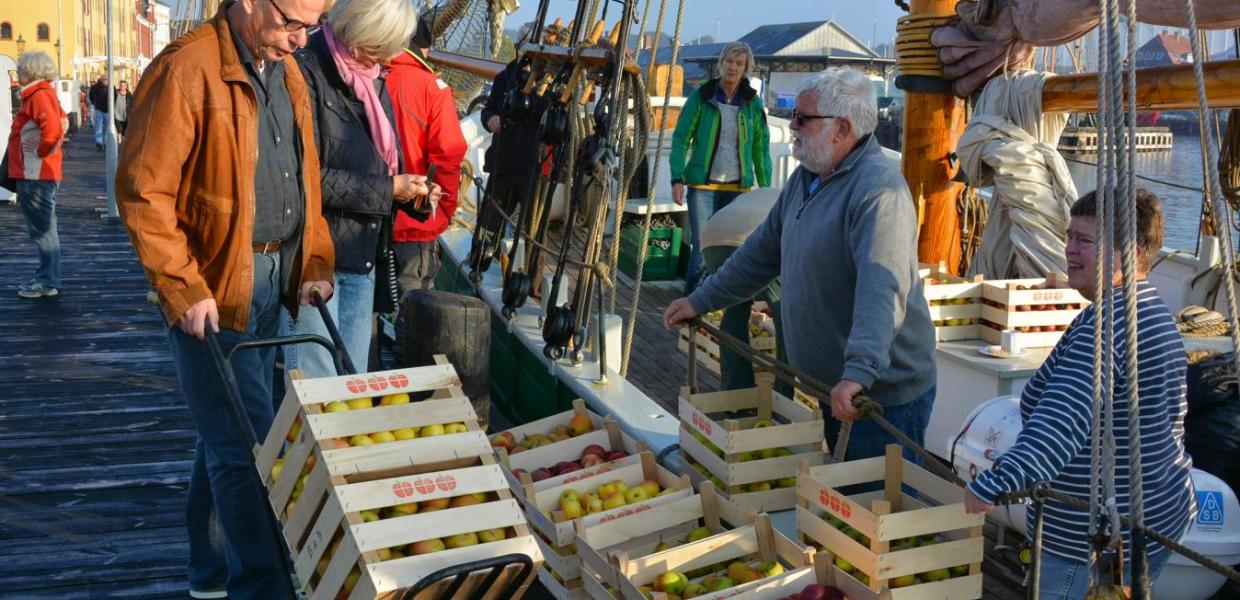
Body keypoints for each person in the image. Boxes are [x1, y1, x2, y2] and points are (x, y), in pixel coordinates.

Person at [115, 0, 335, 597]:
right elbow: (143, 192)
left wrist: (313, 260)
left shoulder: (287, 71)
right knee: (248, 450)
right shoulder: (187, 68)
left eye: (311, 27)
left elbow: (303, 179)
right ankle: (261, 586)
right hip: (214, 291)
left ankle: (209, 572)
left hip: (272, 283)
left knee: (226, 433)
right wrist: (183, 287)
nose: (299, 40)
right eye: (292, 23)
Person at [663, 68, 936, 462]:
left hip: (877, 396)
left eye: (803, 119)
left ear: (841, 129)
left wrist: (859, 372)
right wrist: (699, 301)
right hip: (834, 387)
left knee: (875, 512)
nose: (791, 126)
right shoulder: (808, 177)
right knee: (845, 507)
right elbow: (760, 253)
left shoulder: (879, 192)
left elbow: (882, 289)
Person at [964, 189, 1195, 599]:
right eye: (1069, 236)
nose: (1069, 250)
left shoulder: (1107, 327)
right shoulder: (1148, 311)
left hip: (1090, 541)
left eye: (1085, 241)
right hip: (1157, 515)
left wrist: (992, 485)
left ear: (1132, 251)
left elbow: (1061, 425)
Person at [284, 0, 427, 376]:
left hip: (364, 258)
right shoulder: (306, 71)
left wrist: (411, 193)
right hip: (317, 260)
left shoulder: (372, 77)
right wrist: (387, 189)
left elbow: (383, 159)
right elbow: (305, 177)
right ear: (361, 34)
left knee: (353, 386)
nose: (393, 57)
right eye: (385, 46)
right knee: (315, 388)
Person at [669, 41, 772, 295]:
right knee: (702, 249)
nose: (733, 68)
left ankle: (719, 310)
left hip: (738, 190)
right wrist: (677, 178)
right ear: (721, 64)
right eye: (729, 62)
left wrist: (766, 189)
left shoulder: (752, 104)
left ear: (746, 68)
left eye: (739, 64)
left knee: (731, 252)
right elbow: (681, 138)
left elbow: (761, 148)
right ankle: (691, 311)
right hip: (702, 187)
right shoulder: (701, 97)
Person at [388, 13, 467, 293]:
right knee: (412, 322)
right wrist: (439, 216)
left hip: (366, 223)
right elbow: (448, 156)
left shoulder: (366, 72)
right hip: (414, 228)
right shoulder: (432, 88)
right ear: (423, 48)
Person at [697, 187, 789, 393]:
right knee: (785, 318)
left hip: (711, 239)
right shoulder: (795, 200)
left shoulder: (766, 195)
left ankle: (736, 388)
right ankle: (785, 393)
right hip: (749, 241)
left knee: (735, 310)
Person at [471, 47, 549, 277]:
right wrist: (491, 118)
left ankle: (529, 281)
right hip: (502, 161)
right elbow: (489, 110)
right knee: (489, 218)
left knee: (533, 226)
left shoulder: (548, 82)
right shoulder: (504, 78)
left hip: (530, 165)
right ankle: (478, 264)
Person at [6, 51, 67, 299]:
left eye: (20, 69)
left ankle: (47, 281)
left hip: (35, 174)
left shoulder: (39, 96)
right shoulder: (43, 94)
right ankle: (47, 277)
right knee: (45, 228)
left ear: (31, 72)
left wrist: (41, 150)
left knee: (42, 231)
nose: (18, 72)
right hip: (38, 173)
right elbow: (62, 123)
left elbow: (53, 130)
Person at [88, 74, 110, 150]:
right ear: (101, 79)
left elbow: (115, 96)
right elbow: (91, 95)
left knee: (108, 127)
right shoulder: (95, 87)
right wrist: (94, 103)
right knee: (98, 127)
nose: (105, 80)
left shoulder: (111, 87)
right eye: (103, 79)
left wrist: (112, 105)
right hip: (99, 109)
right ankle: (99, 142)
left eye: (106, 79)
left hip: (108, 110)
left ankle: (106, 142)